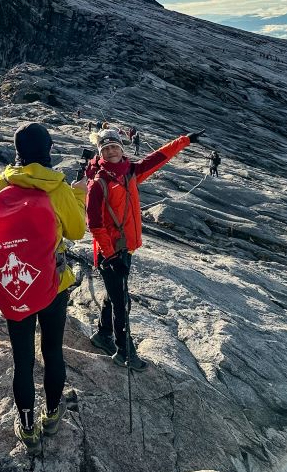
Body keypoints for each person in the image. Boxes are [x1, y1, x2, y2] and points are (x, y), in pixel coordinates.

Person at [0, 122, 87, 452]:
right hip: (54, 285)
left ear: (17, 150)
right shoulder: (58, 187)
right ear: (49, 150)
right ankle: (52, 416)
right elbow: (77, 231)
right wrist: (77, 195)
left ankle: (26, 427)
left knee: (22, 359)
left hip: (15, 285)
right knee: (52, 351)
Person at [86, 126, 204, 371]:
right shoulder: (99, 184)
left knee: (113, 295)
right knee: (122, 302)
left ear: (121, 148)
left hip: (125, 249)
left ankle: (102, 335)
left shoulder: (130, 173)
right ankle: (125, 352)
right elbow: (95, 225)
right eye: (106, 149)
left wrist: (184, 141)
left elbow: (157, 158)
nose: (111, 152)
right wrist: (110, 256)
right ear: (101, 152)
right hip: (109, 254)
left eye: (114, 147)